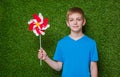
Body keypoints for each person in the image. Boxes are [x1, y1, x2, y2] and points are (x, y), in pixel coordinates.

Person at [38, 7, 99, 77]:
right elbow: (58, 67)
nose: (75, 22)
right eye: (71, 20)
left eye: (78, 19)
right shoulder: (61, 43)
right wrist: (46, 58)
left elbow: (93, 67)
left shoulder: (91, 43)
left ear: (83, 22)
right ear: (67, 23)